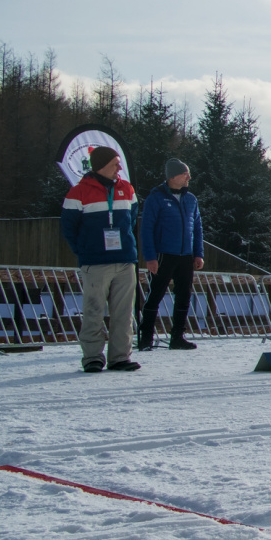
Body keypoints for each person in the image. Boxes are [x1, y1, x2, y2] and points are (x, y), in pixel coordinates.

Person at [60, 146, 141, 373]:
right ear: (102, 165)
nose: (119, 168)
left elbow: (132, 219)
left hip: (125, 260)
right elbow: (68, 227)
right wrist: (84, 251)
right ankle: (92, 357)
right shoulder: (78, 192)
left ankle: (120, 357)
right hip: (95, 262)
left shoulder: (127, 188)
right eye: (115, 163)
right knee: (93, 311)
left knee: (124, 312)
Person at [138, 158, 204, 351]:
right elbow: (146, 230)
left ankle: (177, 337)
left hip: (185, 256)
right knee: (155, 295)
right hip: (163, 255)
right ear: (173, 176)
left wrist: (198, 253)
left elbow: (197, 228)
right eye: (185, 174)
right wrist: (150, 257)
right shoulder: (156, 198)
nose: (188, 177)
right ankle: (146, 338)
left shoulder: (191, 199)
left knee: (184, 296)